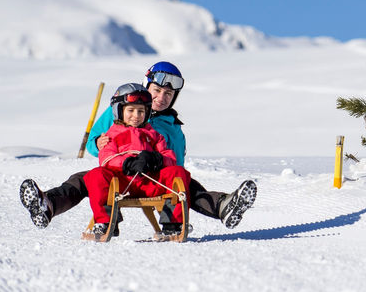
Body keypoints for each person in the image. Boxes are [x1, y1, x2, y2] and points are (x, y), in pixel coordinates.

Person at [20, 61, 256, 231]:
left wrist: (158, 162)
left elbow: (176, 164)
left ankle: (225, 206)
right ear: (146, 86)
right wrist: (98, 144)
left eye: (168, 93)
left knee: (188, 184)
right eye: (157, 90)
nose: (161, 97)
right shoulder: (123, 107)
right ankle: (47, 204)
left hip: (155, 178)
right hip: (118, 173)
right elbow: (96, 142)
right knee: (82, 179)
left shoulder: (172, 126)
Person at [81, 84, 190, 238]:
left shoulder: (153, 134)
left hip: (150, 182)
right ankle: (105, 222)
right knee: (96, 175)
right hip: (121, 184)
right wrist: (126, 163)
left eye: (141, 111)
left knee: (178, 172)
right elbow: (106, 158)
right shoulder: (111, 134)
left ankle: (173, 223)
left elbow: (170, 156)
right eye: (130, 110)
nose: (136, 115)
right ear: (120, 111)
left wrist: (156, 159)